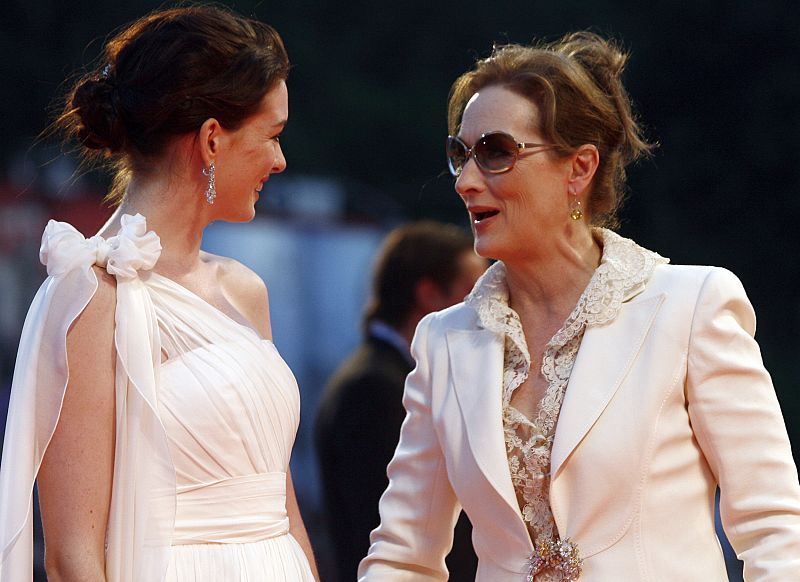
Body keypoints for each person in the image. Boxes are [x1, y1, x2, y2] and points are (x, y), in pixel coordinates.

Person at [359, 32, 800, 581]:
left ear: (579, 168)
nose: (468, 181)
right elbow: (403, 556)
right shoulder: (444, 341)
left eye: (496, 152)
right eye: (460, 155)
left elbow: (775, 530)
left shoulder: (692, 307)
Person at [0, 6, 319, 581]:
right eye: (272, 135)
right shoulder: (91, 296)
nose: (280, 159)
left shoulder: (246, 291)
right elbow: (73, 556)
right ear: (212, 140)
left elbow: (280, 498)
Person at [315, 221, 486, 582]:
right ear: (429, 294)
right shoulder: (373, 387)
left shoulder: (383, 376)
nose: (486, 308)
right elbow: (388, 525)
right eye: (472, 292)